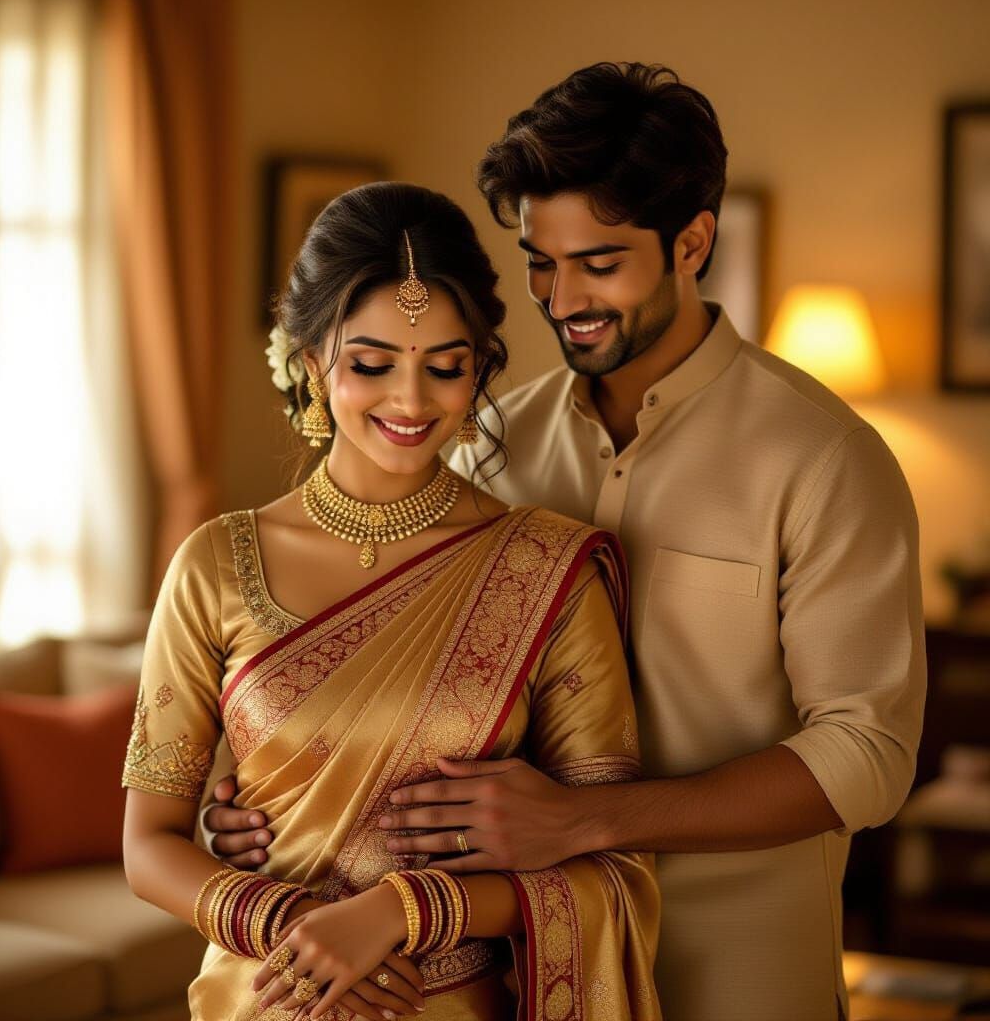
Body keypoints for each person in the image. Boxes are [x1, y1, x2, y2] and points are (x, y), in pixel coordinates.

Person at [205, 65, 926, 1021]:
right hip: (526, 970)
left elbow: (867, 754)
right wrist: (250, 791)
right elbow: (371, 651)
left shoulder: (825, 457)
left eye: (600, 261)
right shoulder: (493, 442)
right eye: (541, 261)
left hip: (739, 978)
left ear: (694, 241)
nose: (562, 295)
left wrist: (587, 818)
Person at [121, 181, 660, 1021]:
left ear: (480, 368)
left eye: (445, 368)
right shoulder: (216, 565)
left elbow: (606, 862)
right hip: (263, 999)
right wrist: (300, 927)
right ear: (311, 365)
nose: (410, 402)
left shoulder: (548, 570)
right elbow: (147, 844)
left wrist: (399, 913)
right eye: (371, 365)